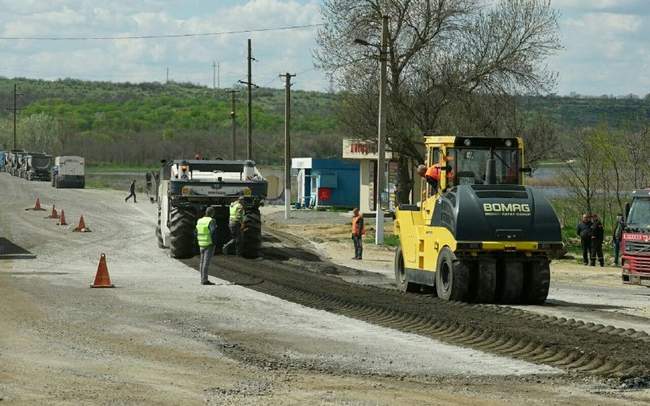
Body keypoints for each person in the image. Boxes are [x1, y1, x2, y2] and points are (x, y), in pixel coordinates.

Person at [196, 207, 218, 285]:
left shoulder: (200, 220)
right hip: (209, 244)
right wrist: (214, 243)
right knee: (206, 263)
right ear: (212, 213)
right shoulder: (211, 221)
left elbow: (196, 232)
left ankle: (202, 278)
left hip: (201, 244)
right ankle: (204, 280)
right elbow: (213, 232)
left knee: (202, 263)